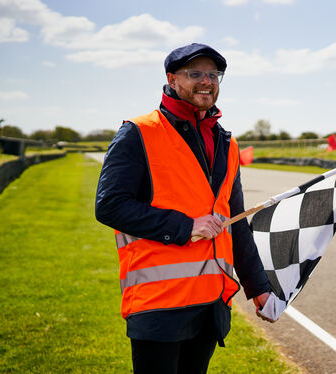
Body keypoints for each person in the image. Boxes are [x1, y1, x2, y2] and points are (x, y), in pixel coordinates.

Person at [95, 43, 273, 374]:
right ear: (172, 79)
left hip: (211, 302)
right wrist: (185, 226)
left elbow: (237, 222)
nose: (206, 81)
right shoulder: (138, 133)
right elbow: (109, 205)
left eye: (213, 74)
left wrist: (258, 286)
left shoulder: (226, 142)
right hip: (159, 303)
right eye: (195, 74)